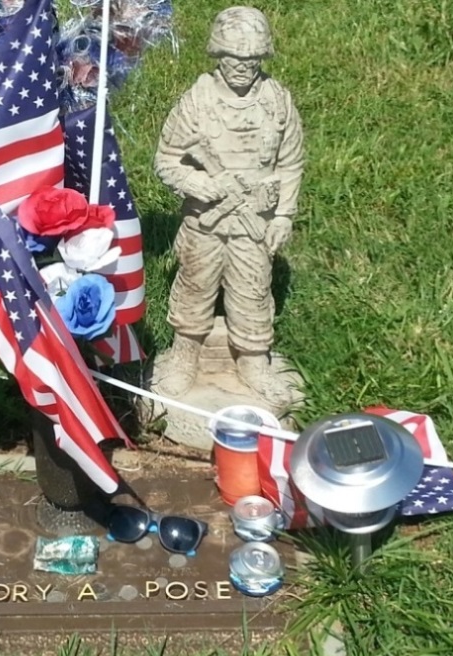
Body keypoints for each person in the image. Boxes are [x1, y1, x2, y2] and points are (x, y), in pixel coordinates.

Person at [153, 6, 304, 404]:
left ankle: (253, 360)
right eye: (234, 58)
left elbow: (290, 162)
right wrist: (205, 184)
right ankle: (185, 354)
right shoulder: (197, 102)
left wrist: (284, 214)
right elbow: (166, 159)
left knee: (253, 289)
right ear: (218, 55)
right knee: (195, 284)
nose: (243, 67)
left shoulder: (277, 102)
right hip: (206, 220)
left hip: (255, 221)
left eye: (252, 60)